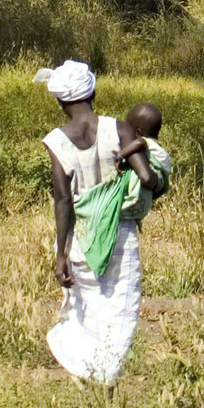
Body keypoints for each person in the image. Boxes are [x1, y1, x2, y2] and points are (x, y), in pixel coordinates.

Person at [36, 59, 157, 384]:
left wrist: (61, 255)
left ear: (61, 100)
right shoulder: (120, 130)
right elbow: (148, 179)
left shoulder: (57, 141)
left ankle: (90, 382)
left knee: (85, 313)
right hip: (119, 239)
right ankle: (107, 385)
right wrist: (141, 151)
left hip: (81, 241)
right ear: (93, 91)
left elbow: (63, 201)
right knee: (116, 316)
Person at [119, 102, 172, 224]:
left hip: (155, 173)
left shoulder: (144, 142)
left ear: (138, 133)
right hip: (161, 180)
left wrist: (121, 155)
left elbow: (139, 144)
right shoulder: (156, 146)